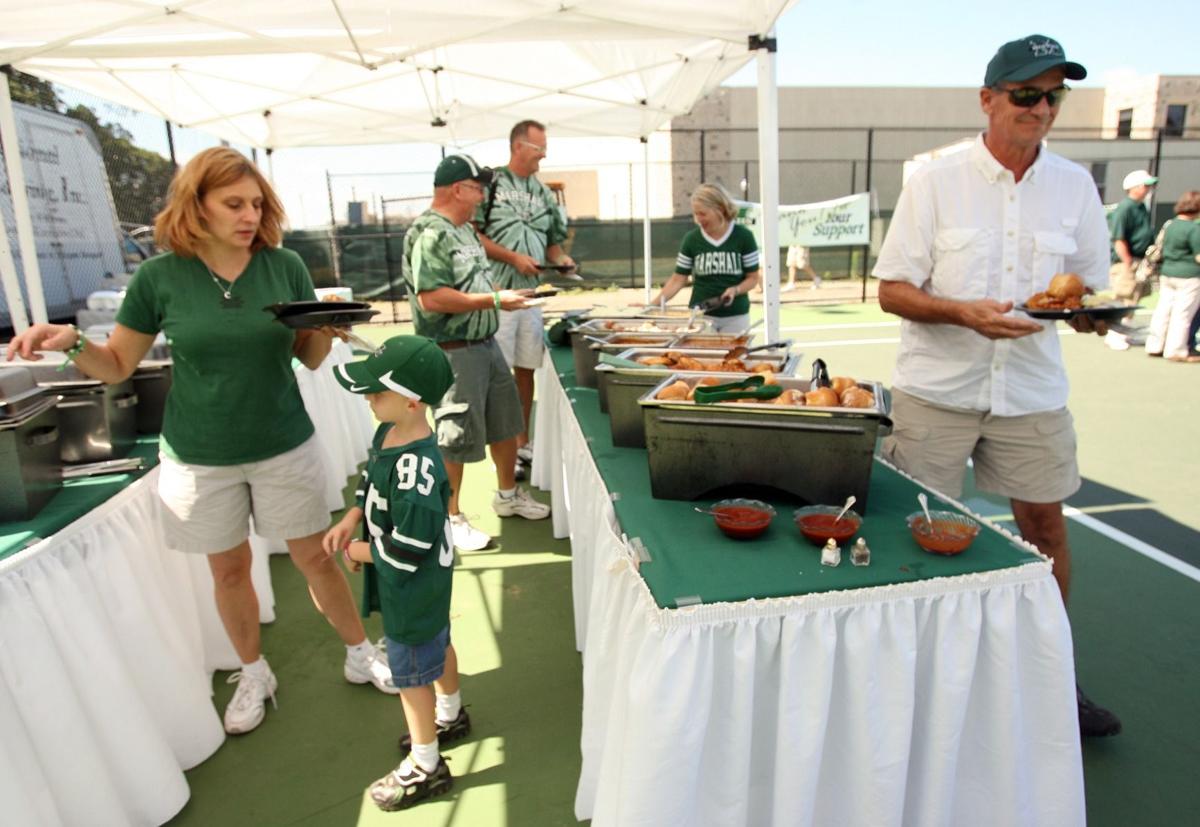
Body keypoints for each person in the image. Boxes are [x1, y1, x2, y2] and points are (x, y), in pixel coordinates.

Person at [4, 147, 397, 734]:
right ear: (197, 205)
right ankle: (253, 670)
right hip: (199, 457)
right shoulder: (159, 278)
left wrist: (326, 327)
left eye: (256, 203)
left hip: (283, 443)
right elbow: (115, 367)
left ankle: (359, 653)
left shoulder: (283, 265)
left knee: (316, 558)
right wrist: (68, 342)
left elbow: (310, 358)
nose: (249, 215)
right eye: (233, 203)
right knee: (230, 572)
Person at [872, 35, 1121, 738]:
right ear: (988, 100)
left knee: (1046, 530)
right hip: (938, 391)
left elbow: (1086, 288)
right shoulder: (935, 180)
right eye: (1025, 95)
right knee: (918, 531)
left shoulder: (1075, 186)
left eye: (1052, 96)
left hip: (1032, 391)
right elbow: (891, 290)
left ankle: (1050, 679)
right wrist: (961, 312)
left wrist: (1091, 314)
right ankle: (912, 678)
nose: (1040, 109)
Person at [322, 336, 470, 811]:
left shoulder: (418, 468)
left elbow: (409, 549)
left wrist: (362, 550)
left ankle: (426, 764)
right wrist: (352, 516)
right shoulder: (388, 433)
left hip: (414, 583)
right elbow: (369, 482)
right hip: (413, 582)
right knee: (438, 642)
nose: (368, 399)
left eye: (376, 392)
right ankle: (450, 716)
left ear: (411, 401)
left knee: (410, 675)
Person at [402, 154, 551, 553]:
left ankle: (507, 495)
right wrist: (496, 299)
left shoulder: (465, 230)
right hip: (453, 350)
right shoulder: (430, 232)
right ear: (456, 189)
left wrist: (498, 301)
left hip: (483, 342)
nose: (483, 193)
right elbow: (431, 298)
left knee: (505, 423)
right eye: (476, 186)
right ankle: (450, 518)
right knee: (456, 436)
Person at [475, 120, 574, 480]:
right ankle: (503, 450)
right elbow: (472, 235)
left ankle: (523, 443)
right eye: (538, 147)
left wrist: (562, 261)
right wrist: (511, 257)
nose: (544, 154)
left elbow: (554, 244)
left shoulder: (544, 192)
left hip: (532, 298)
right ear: (518, 146)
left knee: (526, 370)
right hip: (497, 296)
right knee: (498, 375)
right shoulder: (491, 183)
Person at [649, 183, 760, 332]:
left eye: (703, 213)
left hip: (736, 316)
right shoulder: (692, 239)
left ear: (719, 209)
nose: (698, 219)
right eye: (695, 214)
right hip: (701, 316)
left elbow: (753, 278)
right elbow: (678, 279)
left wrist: (736, 289)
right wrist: (651, 307)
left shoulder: (743, 236)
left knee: (734, 355)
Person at [1105, 169, 1158, 350]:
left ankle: (1124, 333)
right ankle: (1113, 333)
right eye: (1145, 185)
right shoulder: (1125, 208)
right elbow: (1118, 238)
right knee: (1123, 297)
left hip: (1138, 260)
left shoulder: (1142, 206)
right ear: (1134, 188)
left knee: (1134, 298)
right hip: (1126, 262)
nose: (1149, 189)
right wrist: (1128, 262)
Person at [1145, 191, 1200, 362]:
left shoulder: (1171, 225)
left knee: (1163, 310)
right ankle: (1175, 350)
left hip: (1167, 274)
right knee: (1182, 315)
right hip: (1189, 276)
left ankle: (1155, 345)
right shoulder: (1194, 229)